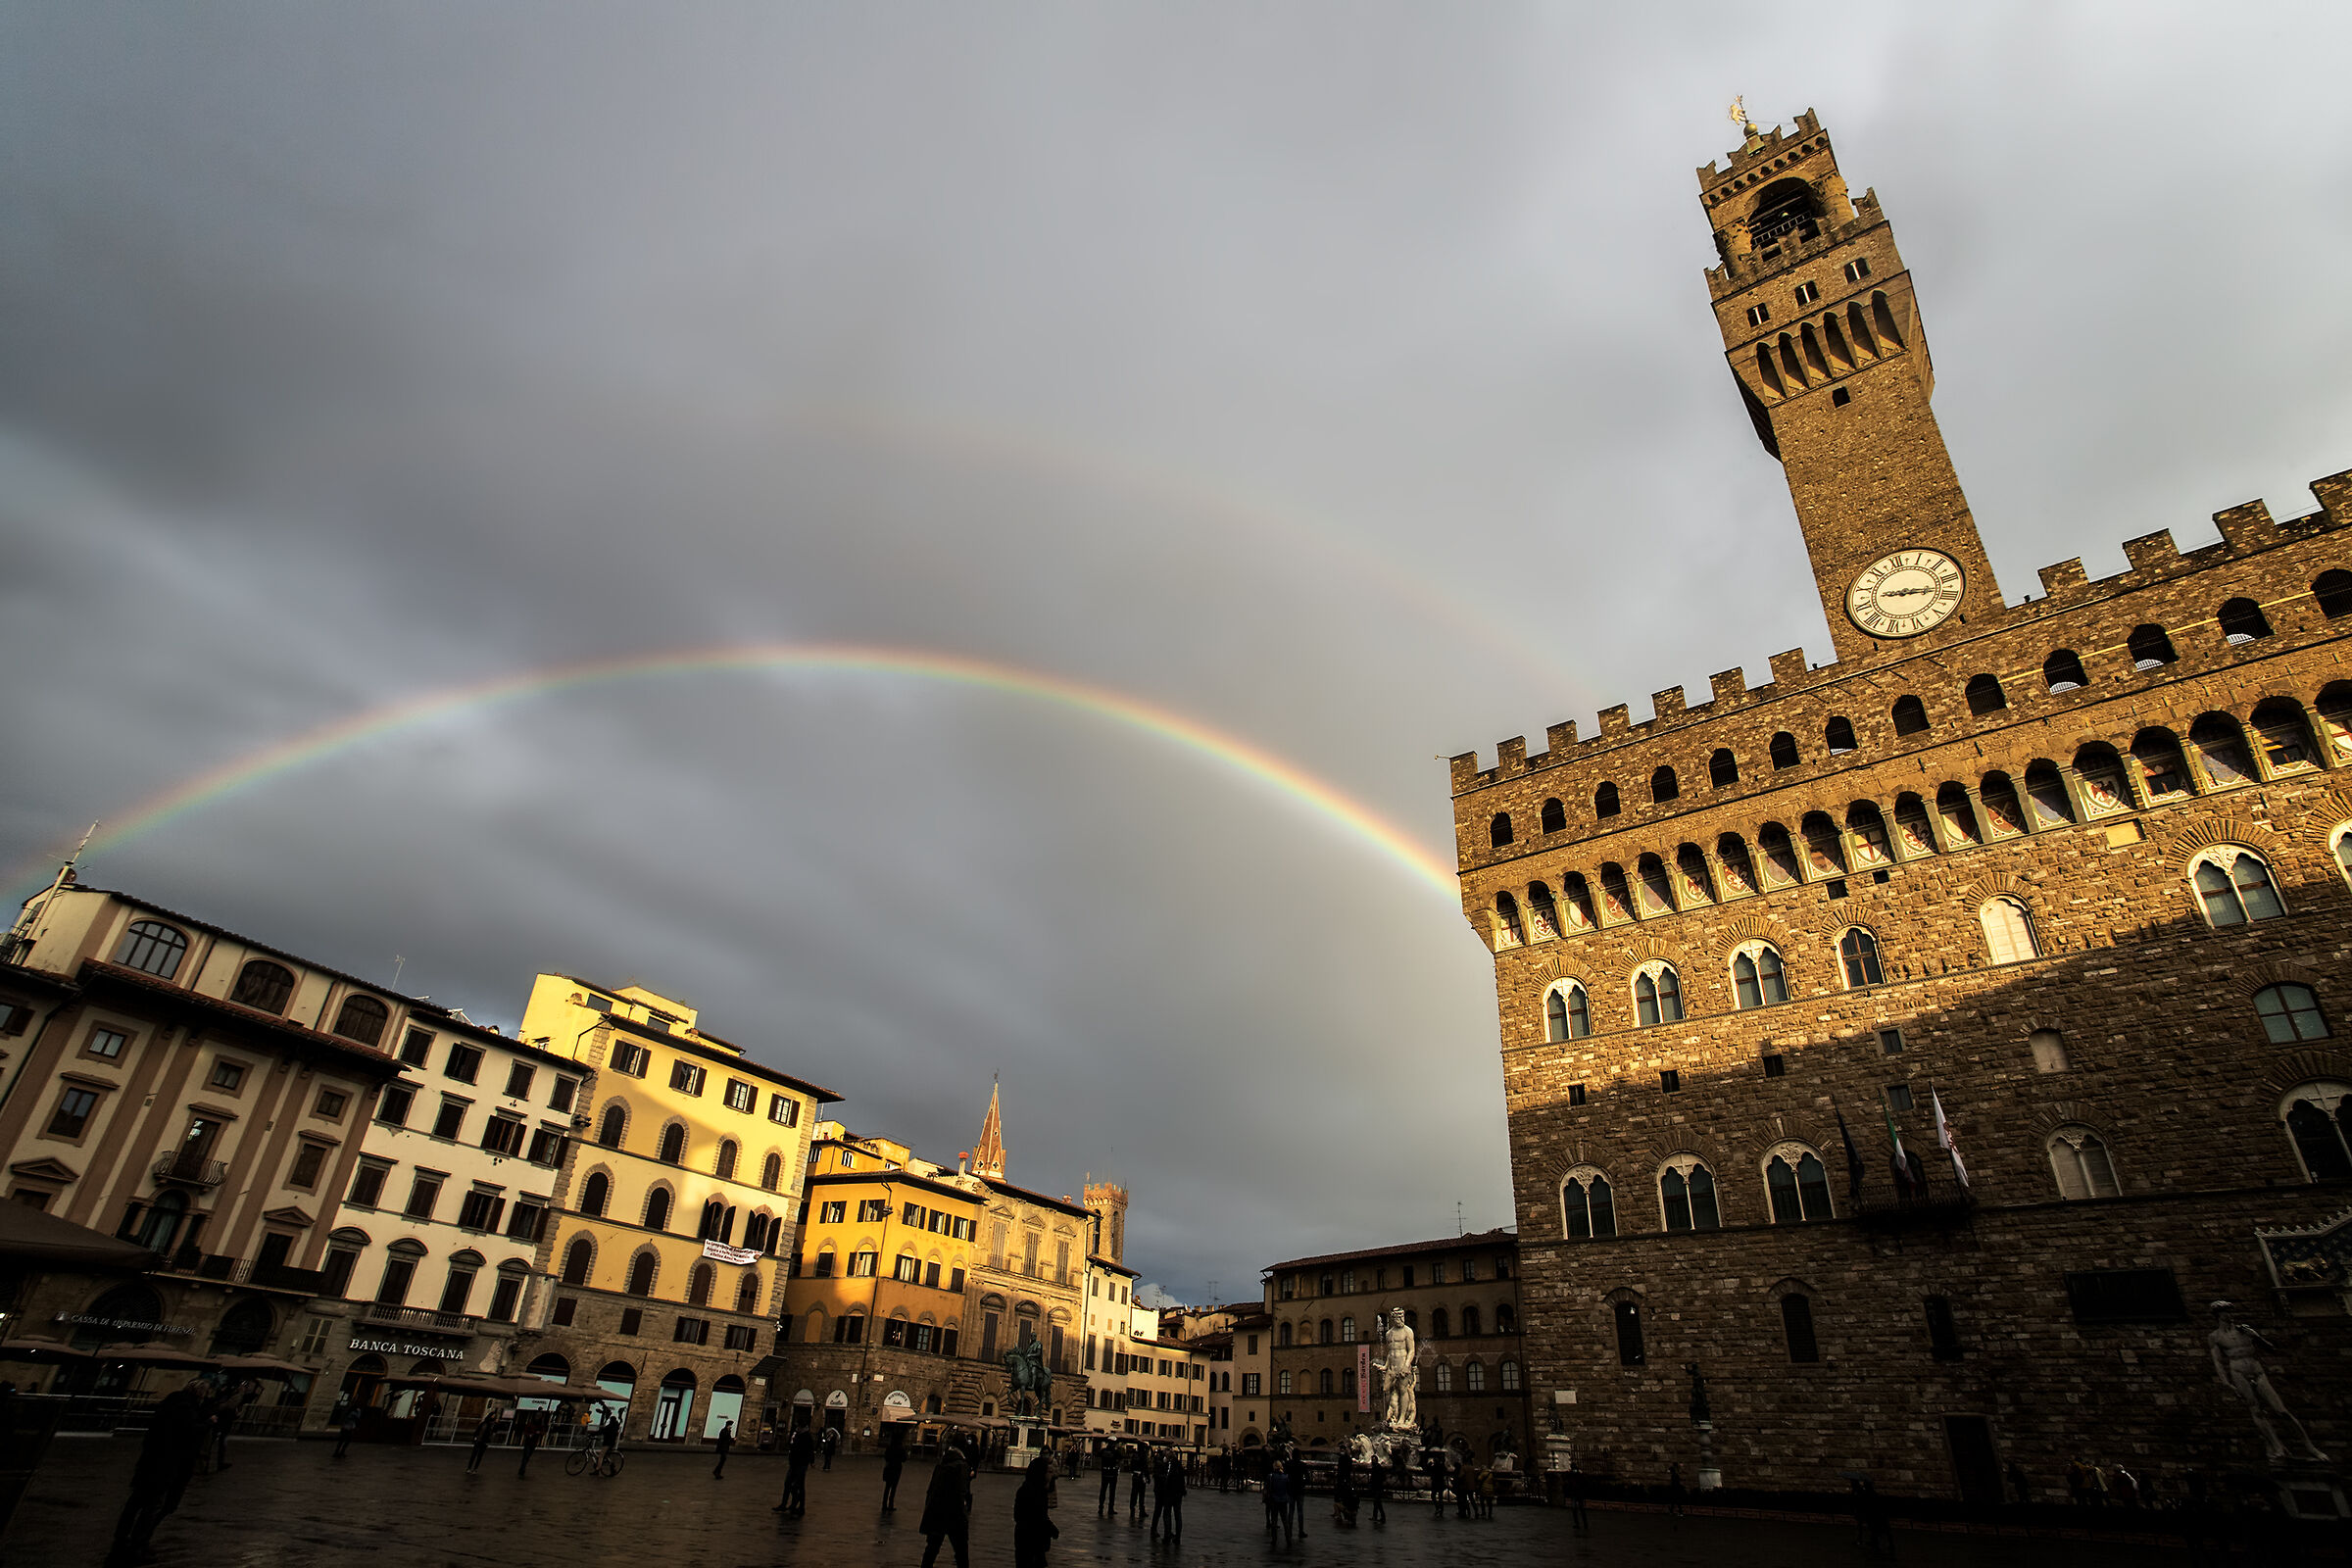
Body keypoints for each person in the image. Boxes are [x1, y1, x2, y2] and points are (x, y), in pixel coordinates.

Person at [111, 1379, 212, 1557]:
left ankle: (122, 1536)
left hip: (150, 1458)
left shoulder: (170, 1403)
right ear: (200, 1393)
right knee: (153, 1504)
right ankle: (139, 1541)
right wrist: (208, 1423)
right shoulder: (186, 1408)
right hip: (167, 1462)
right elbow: (188, 1432)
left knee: (136, 1501)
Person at [920, 1445, 972, 1568]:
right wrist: (963, 1515)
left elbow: (931, 1490)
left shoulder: (941, 1465)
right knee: (961, 1552)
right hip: (954, 1515)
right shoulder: (961, 1466)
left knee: (932, 1549)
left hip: (937, 1512)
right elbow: (960, 1493)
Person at [1014, 1452, 1060, 1568]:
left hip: (1026, 1539)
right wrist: (1051, 1528)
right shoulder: (1036, 1492)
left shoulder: (1028, 1489)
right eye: (1048, 1472)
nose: (1051, 1475)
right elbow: (1039, 1517)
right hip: (1032, 1541)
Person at [775, 1425, 815, 1516]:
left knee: (798, 1486)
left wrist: (811, 1461)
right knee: (788, 1484)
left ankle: (799, 1507)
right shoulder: (797, 1435)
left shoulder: (807, 1436)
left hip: (801, 1465)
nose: (797, 1429)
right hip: (793, 1464)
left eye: (799, 1427)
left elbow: (810, 1450)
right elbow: (793, 1448)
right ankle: (785, 1504)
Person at [1152, 1447, 1186, 1544]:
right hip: (1178, 1493)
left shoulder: (1169, 1465)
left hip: (1170, 1492)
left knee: (1167, 1513)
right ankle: (1177, 1536)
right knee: (1177, 1514)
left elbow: (1167, 1478)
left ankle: (1167, 1536)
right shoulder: (1178, 1464)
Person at [1264, 1460, 1293, 1547]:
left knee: (1274, 1520)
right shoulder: (1285, 1477)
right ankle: (1288, 1539)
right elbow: (1288, 1489)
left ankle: (1274, 1539)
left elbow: (1268, 1489)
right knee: (1285, 1521)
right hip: (1283, 1500)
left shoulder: (1271, 1476)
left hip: (1274, 1500)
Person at [882, 1424, 907, 1512]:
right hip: (897, 1468)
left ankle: (884, 1504)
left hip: (889, 1467)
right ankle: (890, 1504)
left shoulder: (890, 1447)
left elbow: (886, 1456)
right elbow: (904, 1459)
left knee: (887, 1487)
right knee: (893, 1487)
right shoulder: (901, 1448)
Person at [466, 1408, 499, 1474]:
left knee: (479, 1456)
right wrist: (475, 1437)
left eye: (494, 1416)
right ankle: (469, 1468)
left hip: (484, 1442)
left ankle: (475, 1469)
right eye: (492, 1416)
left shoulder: (493, 1425)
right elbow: (477, 1431)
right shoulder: (484, 1423)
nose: (493, 1417)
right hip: (479, 1440)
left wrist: (496, 1424)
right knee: (474, 1455)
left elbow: (495, 1431)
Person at [515, 1410, 544, 1477]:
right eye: (537, 1416)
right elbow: (525, 1431)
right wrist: (529, 1435)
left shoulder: (540, 1425)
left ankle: (522, 1468)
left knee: (528, 1456)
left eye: (539, 1416)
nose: (538, 1417)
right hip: (528, 1441)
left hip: (534, 1442)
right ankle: (522, 1470)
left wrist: (539, 1433)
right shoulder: (530, 1423)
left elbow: (543, 1432)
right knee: (526, 1456)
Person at [1565, 1462, 1591, 1535]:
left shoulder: (1579, 1475)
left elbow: (1585, 1482)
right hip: (1574, 1494)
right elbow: (1565, 1478)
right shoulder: (1571, 1474)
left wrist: (1581, 1474)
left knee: (1581, 1509)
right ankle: (1577, 1524)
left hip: (1579, 1494)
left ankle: (1585, 1524)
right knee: (1574, 1509)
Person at [1097, 1443, 1120, 1515]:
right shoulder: (1115, 1452)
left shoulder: (1103, 1451)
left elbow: (1097, 1454)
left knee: (1103, 1491)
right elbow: (1121, 1457)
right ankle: (1110, 1509)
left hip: (1104, 1473)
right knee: (1112, 1492)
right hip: (1112, 1473)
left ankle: (1101, 1507)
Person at [1127, 1442, 1149, 1521]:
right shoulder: (1143, 1455)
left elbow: (1131, 1465)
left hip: (1135, 1476)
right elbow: (1145, 1467)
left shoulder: (1134, 1455)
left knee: (1134, 1493)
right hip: (1141, 1476)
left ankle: (1132, 1508)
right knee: (1141, 1494)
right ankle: (1141, 1510)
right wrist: (1147, 1477)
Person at [1367, 1447, 1386, 1527]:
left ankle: (1382, 1517)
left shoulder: (1376, 1468)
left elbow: (1378, 1478)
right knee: (1376, 1503)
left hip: (1377, 1487)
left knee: (1377, 1503)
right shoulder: (1377, 1467)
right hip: (1377, 1487)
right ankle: (1377, 1516)